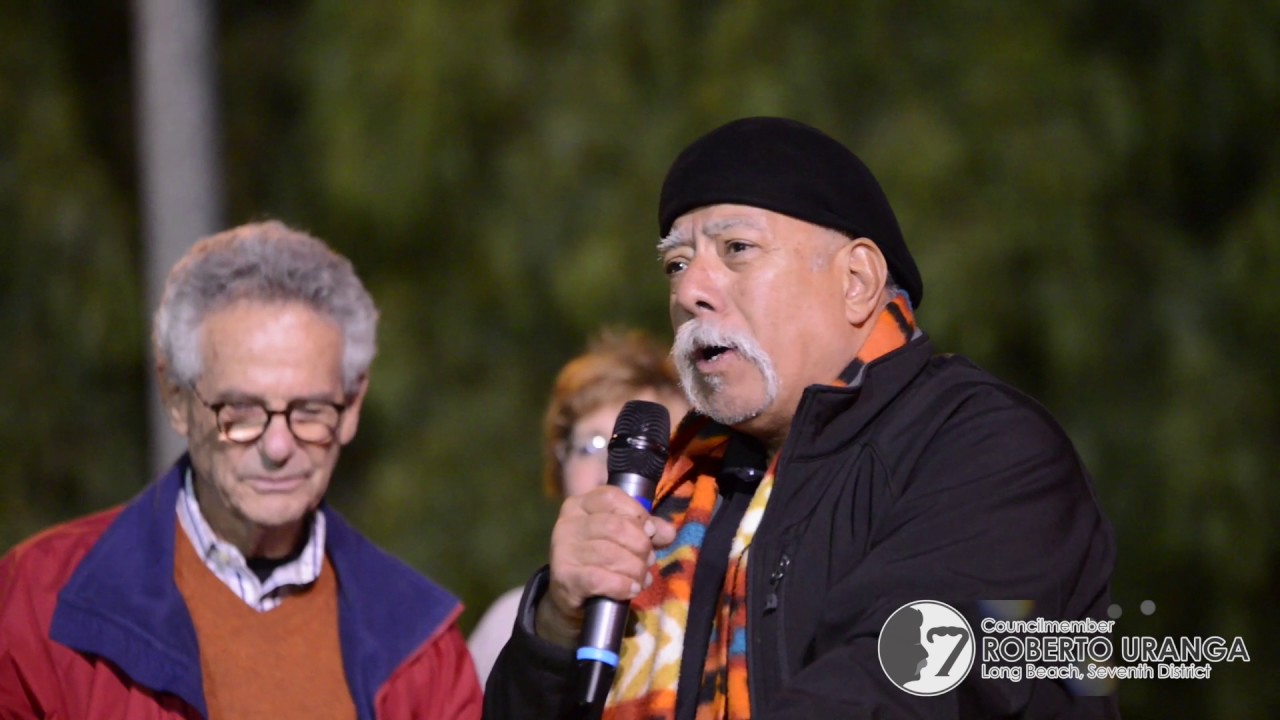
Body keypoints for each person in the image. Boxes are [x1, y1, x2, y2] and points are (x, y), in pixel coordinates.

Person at [483, 117, 1118, 718]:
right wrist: (557, 627)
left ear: (857, 281)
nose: (687, 291)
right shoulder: (676, 482)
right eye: (676, 264)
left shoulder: (984, 448)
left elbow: (905, 681)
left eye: (736, 248)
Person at [0, 221, 481, 719]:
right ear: (177, 399)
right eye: (241, 412)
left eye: (310, 410)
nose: (278, 445)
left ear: (353, 405)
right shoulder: (37, 606)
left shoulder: (423, 650)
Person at [468, 328, 689, 686]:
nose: (613, 471)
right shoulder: (510, 626)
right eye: (593, 445)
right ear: (559, 468)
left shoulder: (726, 612)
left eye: (649, 448)